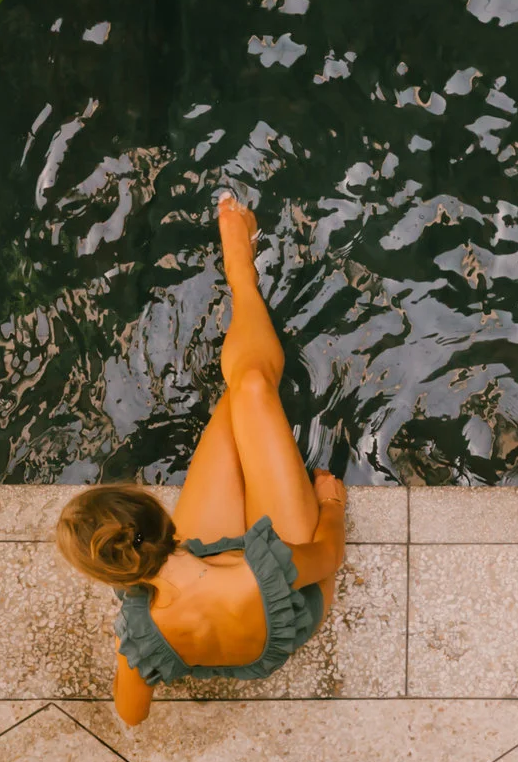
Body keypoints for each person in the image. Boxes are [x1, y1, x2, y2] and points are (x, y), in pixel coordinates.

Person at [53, 196, 346, 724]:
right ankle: (242, 276)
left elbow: (131, 714)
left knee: (242, 402)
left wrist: (149, 645)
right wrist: (331, 505)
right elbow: (327, 558)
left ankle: (243, 294)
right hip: (284, 591)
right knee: (251, 389)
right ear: (160, 513)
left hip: (219, 574)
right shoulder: (263, 570)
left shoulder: (142, 630)